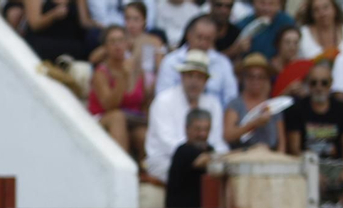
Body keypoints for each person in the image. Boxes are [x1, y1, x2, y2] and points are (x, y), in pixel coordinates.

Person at [145, 49, 228, 180]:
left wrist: (215, 157)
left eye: (199, 77)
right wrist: (199, 157)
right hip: (166, 163)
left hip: (204, 161)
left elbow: (216, 140)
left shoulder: (213, 104)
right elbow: (168, 143)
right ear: (182, 77)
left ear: (206, 81)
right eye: (190, 75)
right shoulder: (163, 101)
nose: (194, 82)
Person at [284, 61, 343, 181]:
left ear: (331, 84)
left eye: (324, 83)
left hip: (336, 166)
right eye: (313, 83)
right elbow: (294, 149)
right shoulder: (297, 109)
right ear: (308, 84)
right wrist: (313, 174)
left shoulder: (342, 109)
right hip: (307, 165)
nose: (319, 87)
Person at [90, 24, 150, 158]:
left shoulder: (138, 70)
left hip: (133, 119)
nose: (118, 46)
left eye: (121, 40)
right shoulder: (101, 72)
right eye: (112, 42)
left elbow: (144, 102)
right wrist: (123, 77)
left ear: (127, 43)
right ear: (105, 47)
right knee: (118, 117)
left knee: (142, 134)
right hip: (104, 119)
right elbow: (109, 106)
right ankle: (122, 168)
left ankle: (147, 172)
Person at [157, 16, 238, 106]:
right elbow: (162, 96)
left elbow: (231, 100)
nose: (202, 43)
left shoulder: (223, 63)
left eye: (207, 39)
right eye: (199, 37)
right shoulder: (171, 61)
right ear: (188, 35)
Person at [224, 52, 283, 149]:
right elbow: (228, 136)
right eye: (251, 76)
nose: (256, 81)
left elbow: (281, 142)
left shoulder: (274, 105)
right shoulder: (235, 104)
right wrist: (254, 123)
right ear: (243, 78)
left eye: (260, 77)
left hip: (270, 157)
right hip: (242, 156)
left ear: (266, 80)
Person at [166, 107, 217, 208]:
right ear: (187, 128)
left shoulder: (210, 149)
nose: (202, 134)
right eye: (198, 129)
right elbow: (202, 161)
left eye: (206, 129)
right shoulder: (183, 151)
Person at [22, 0, 96, 61]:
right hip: (43, 41)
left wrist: (104, 29)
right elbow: (35, 25)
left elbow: (84, 22)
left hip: (71, 43)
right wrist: (54, 15)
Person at [224, 0, 294, 59]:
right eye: (262, 3)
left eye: (271, 4)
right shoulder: (241, 26)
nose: (266, 8)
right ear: (253, 3)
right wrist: (237, 49)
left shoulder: (287, 23)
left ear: (279, 5)